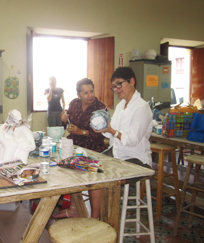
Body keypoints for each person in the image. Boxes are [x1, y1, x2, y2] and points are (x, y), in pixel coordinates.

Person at [89, 66, 153, 219]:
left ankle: (106, 221)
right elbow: (114, 133)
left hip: (136, 159)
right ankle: (95, 218)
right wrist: (104, 129)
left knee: (107, 178)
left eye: (119, 84)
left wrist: (112, 131)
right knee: (90, 169)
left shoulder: (141, 107)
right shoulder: (121, 105)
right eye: (114, 86)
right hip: (118, 153)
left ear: (132, 81)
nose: (116, 89)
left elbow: (132, 140)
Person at [52, 78, 106, 219]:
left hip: (93, 147)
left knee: (93, 178)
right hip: (75, 145)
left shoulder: (100, 107)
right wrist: (65, 121)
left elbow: (102, 133)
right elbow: (69, 125)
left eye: (91, 91)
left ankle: (94, 217)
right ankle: (73, 208)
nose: (90, 95)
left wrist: (81, 131)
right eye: (86, 93)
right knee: (60, 167)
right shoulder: (74, 104)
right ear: (79, 95)